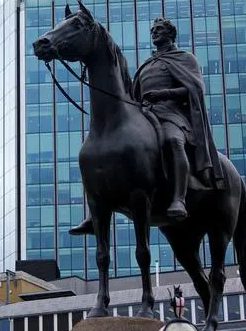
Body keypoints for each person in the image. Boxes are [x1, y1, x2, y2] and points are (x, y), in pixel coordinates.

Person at [70, 17, 222, 234]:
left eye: (159, 29)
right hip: (147, 114)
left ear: (170, 34)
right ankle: (93, 214)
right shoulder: (146, 65)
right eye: (153, 30)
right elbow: (133, 94)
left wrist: (164, 93)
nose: (155, 33)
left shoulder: (184, 59)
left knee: (173, 141)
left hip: (172, 114)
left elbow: (194, 89)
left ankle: (178, 199)